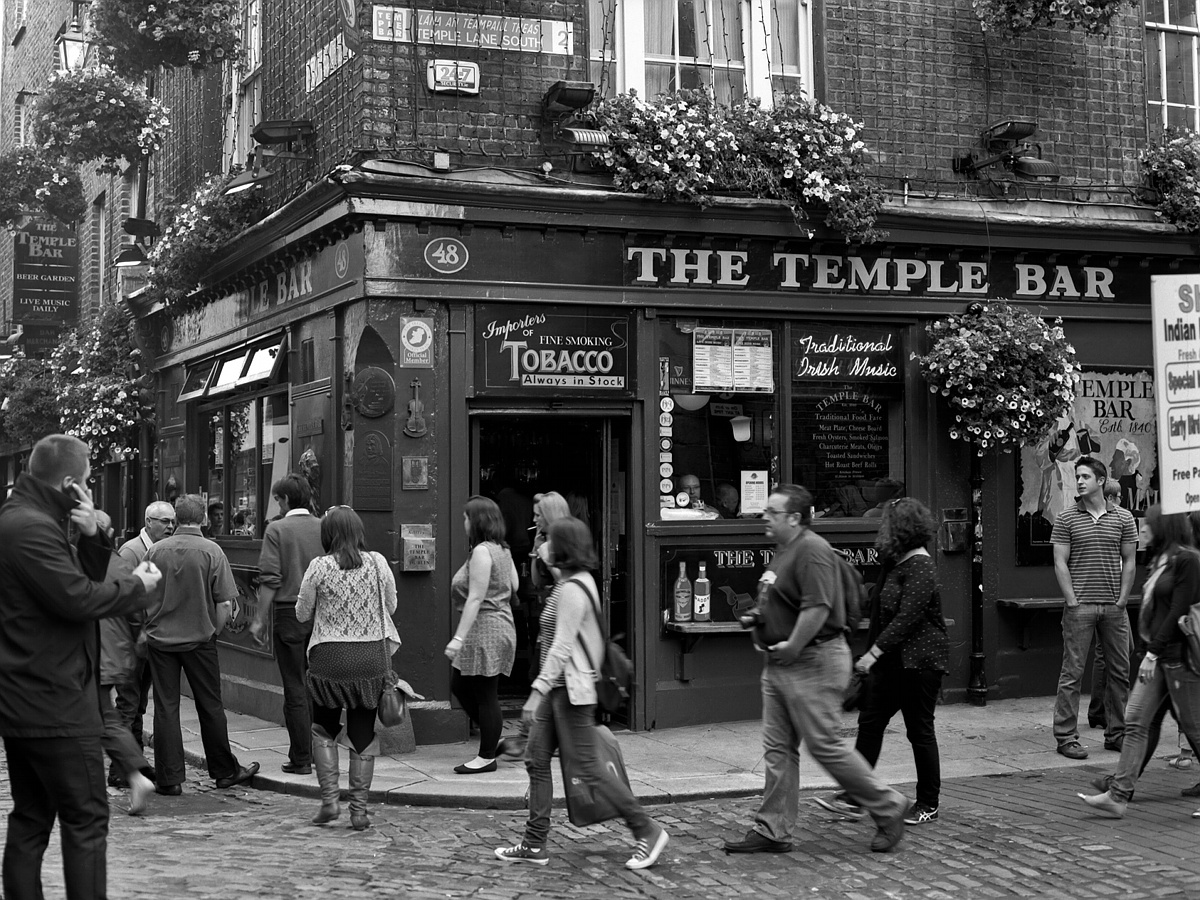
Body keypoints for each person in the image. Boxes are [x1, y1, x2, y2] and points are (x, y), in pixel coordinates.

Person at [0, 434, 162, 900]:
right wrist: (138, 586)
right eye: (88, 481)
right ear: (70, 483)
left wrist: (93, 536)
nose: (91, 490)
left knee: (31, 819)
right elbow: (77, 599)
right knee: (87, 820)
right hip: (54, 700)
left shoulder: (30, 520)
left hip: (34, 694)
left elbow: (77, 581)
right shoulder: (28, 527)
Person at [723, 484, 908, 855]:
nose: (765, 517)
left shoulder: (812, 549)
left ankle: (889, 806)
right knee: (778, 749)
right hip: (781, 663)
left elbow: (818, 608)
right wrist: (760, 615)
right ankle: (773, 829)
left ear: (794, 518)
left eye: (772, 513)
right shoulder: (785, 551)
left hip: (813, 661)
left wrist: (791, 645)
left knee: (825, 746)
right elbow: (785, 599)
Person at [495, 517, 670, 869]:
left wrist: (535, 692)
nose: (542, 543)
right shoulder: (570, 582)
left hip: (571, 692)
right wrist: (540, 556)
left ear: (563, 547)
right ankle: (534, 843)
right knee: (535, 759)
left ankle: (647, 830)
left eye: (548, 539)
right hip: (558, 692)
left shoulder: (574, 589)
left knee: (590, 768)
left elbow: (561, 647)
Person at [815, 497, 947, 826]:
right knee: (870, 725)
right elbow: (875, 609)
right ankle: (857, 795)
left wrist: (872, 654)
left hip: (919, 664)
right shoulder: (895, 562)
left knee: (919, 731)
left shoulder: (922, 566)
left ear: (901, 528)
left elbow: (906, 620)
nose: (881, 529)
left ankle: (928, 802)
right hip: (889, 663)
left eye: (887, 524)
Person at [1078, 505, 1200, 818]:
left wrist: (1152, 651)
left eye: (1149, 524)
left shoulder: (1187, 560)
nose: (1142, 528)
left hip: (1178, 658)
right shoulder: (1159, 561)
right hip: (1158, 658)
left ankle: (1117, 790)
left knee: (1194, 728)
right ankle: (1117, 796)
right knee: (1136, 721)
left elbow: (1177, 611)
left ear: (1164, 527)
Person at [143, 495, 260, 795]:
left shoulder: (155, 551)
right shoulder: (212, 551)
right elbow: (224, 604)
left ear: (177, 519)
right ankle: (223, 771)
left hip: (162, 640)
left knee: (166, 707)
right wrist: (213, 633)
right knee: (210, 705)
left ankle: (169, 778)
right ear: (203, 519)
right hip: (200, 639)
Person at [296, 506, 402, 831]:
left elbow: (302, 613)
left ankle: (329, 802)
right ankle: (359, 812)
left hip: (329, 658)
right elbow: (392, 605)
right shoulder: (377, 562)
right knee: (362, 734)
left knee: (322, 728)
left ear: (327, 534)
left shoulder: (319, 566)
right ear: (359, 531)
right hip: (370, 658)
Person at [1051, 457, 1137, 760]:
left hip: (1114, 607)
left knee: (1119, 672)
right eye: (1078, 476)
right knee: (1072, 673)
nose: (1080, 481)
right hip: (1081, 607)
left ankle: (1117, 734)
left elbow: (1130, 560)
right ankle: (1065, 737)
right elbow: (1060, 562)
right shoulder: (1067, 518)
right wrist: (1072, 600)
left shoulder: (1124, 518)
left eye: (1086, 476)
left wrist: (1123, 599)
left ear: (1101, 481)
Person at [249, 474, 325, 775]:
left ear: (285, 500)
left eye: (277, 499)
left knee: (294, 686)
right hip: (322, 616)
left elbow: (270, 579)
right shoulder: (324, 527)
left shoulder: (276, 530)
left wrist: (258, 620)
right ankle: (320, 752)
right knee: (318, 685)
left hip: (288, 613)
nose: (276, 504)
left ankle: (301, 758)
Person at [445, 495, 519, 773]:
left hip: (486, 628)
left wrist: (458, 638)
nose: (463, 521)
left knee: (486, 692)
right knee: (461, 685)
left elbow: (475, 598)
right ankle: (493, 736)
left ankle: (487, 756)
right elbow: (514, 585)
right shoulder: (503, 550)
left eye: (466, 517)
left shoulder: (482, 552)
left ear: (476, 521)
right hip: (500, 624)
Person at [498, 491, 571, 763]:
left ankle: (533, 739)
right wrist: (535, 549)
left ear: (550, 515)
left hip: (562, 619)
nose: (533, 518)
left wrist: (548, 557)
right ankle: (535, 739)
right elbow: (538, 581)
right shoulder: (545, 539)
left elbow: (568, 582)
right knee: (539, 673)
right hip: (547, 613)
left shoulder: (568, 541)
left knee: (545, 674)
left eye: (538, 514)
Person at [107, 500, 175, 788]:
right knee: (128, 705)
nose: (170, 526)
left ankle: (135, 766)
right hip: (133, 642)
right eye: (163, 521)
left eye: (172, 521)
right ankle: (122, 769)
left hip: (150, 641)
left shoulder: (162, 550)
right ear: (148, 522)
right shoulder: (132, 551)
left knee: (137, 706)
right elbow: (124, 600)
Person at [1085, 478, 1125, 732]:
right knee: (1112, 655)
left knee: (1104, 654)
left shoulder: (1118, 518)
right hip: (1108, 596)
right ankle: (1103, 713)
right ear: (1111, 497)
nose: (1121, 501)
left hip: (1111, 596)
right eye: (1118, 496)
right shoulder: (1119, 517)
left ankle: (1100, 712)